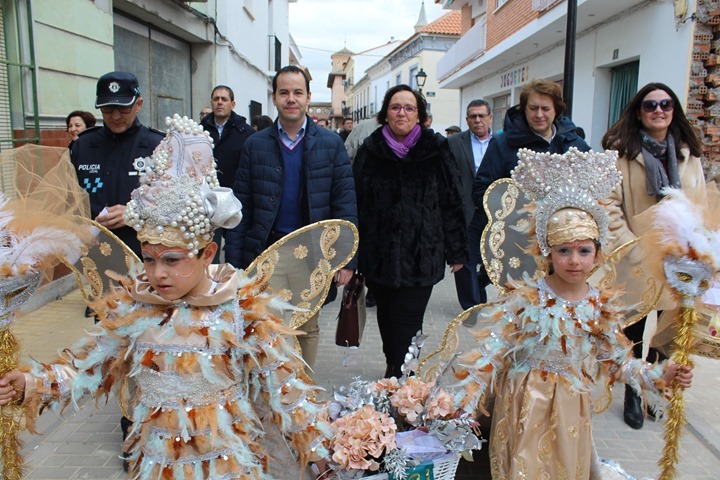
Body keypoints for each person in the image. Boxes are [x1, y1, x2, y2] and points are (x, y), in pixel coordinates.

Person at [0, 117, 333, 479]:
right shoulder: (136, 307)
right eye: (149, 258)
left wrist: (323, 454)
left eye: (173, 260)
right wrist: (33, 382)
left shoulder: (241, 309)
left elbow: (284, 388)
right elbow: (88, 366)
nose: (158, 273)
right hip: (158, 464)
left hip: (226, 465)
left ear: (207, 253)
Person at [453, 147, 694, 479]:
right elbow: (492, 352)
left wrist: (661, 374)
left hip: (570, 409)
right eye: (563, 251)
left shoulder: (599, 307)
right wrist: (463, 399)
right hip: (522, 406)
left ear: (597, 254)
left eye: (584, 251)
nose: (574, 261)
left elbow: (618, 362)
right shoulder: (527, 300)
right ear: (547, 252)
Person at [225, 65, 357, 370]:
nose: (291, 98)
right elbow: (240, 206)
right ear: (274, 98)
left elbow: (345, 204)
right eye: (284, 92)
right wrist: (235, 260)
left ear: (309, 97)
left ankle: (302, 394)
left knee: (306, 328)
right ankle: (272, 394)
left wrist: (348, 260)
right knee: (264, 326)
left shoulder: (331, 144)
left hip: (312, 256)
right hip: (266, 253)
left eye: (298, 92)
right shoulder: (255, 145)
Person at [602, 82, 705, 430]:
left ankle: (657, 387)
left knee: (665, 331)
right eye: (650, 105)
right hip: (634, 259)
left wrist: (697, 248)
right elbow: (610, 208)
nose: (658, 110)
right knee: (631, 331)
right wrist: (632, 247)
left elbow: (700, 203)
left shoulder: (689, 155)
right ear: (639, 112)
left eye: (665, 104)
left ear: (674, 110)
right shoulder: (622, 155)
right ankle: (633, 389)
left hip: (678, 262)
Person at [353, 84, 467, 378]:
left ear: (419, 115)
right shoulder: (370, 150)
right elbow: (357, 203)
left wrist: (457, 250)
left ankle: (401, 382)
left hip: (422, 254)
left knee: (407, 321)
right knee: (388, 321)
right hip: (379, 255)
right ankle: (397, 371)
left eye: (408, 108)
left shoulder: (437, 149)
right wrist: (352, 255)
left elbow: (452, 200)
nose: (401, 113)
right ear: (385, 114)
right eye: (395, 107)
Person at [71, 71, 164, 258]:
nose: (115, 116)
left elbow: (175, 202)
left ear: (138, 104)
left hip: (143, 253)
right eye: (107, 109)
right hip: (93, 254)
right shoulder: (83, 145)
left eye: (123, 109)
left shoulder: (158, 146)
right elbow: (69, 198)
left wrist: (135, 212)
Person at [449, 99, 494, 313]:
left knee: (492, 261)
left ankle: (480, 284)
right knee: (465, 260)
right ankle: (471, 306)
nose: (477, 120)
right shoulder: (454, 143)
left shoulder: (502, 143)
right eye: (473, 116)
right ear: (467, 120)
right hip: (465, 211)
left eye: (481, 116)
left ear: (490, 118)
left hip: (494, 212)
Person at [200, 85, 254, 261]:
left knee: (234, 254)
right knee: (209, 254)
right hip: (208, 204)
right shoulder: (199, 131)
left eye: (224, 99)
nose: (220, 102)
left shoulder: (246, 133)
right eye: (216, 99)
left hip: (236, 203)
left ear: (233, 103)